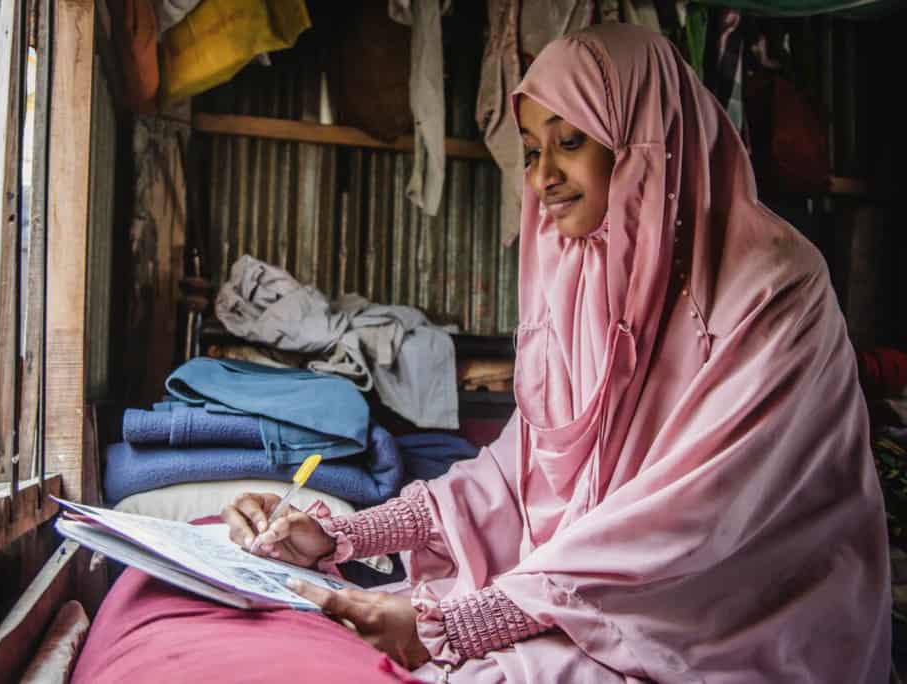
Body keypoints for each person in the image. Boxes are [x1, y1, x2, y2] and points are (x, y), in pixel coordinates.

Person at [221, 22, 891, 683]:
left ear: (646, 143)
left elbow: (693, 518)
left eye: (570, 142)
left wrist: (455, 624)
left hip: (740, 619)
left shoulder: (774, 287)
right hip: (610, 596)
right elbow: (520, 472)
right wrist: (345, 535)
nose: (543, 176)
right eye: (533, 151)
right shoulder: (590, 275)